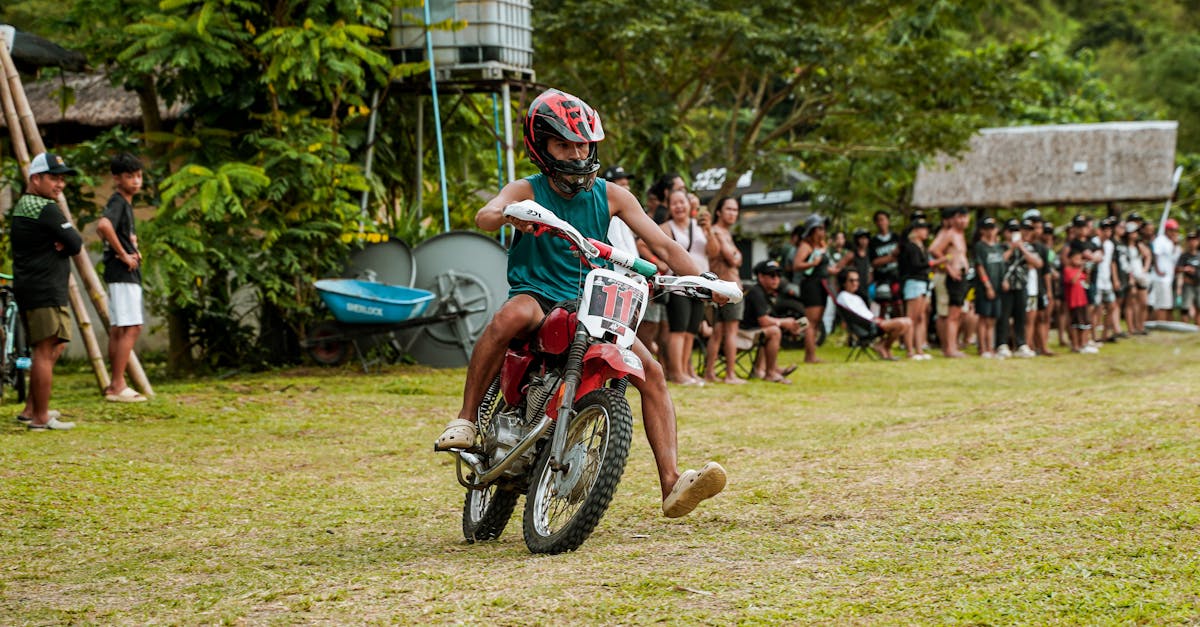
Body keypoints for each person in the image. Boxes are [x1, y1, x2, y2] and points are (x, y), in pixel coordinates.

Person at [433, 89, 726, 518]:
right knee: (509, 316)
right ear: (541, 146)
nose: (576, 153)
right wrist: (509, 214)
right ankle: (464, 418)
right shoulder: (526, 188)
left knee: (655, 372)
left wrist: (706, 279)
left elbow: (662, 242)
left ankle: (671, 482)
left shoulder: (611, 195)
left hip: (592, 298)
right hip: (537, 294)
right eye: (564, 144)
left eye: (582, 143)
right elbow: (486, 214)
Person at [11, 152, 83, 430]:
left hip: (34, 286)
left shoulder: (26, 205)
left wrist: (63, 240)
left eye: (62, 178)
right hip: (44, 289)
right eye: (54, 178)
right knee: (45, 348)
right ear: (36, 178)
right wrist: (64, 240)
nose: (60, 184)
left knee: (55, 344)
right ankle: (40, 418)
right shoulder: (43, 207)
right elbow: (75, 242)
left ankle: (32, 408)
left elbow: (69, 241)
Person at [96, 153, 149, 403]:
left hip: (119, 273)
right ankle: (118, 384)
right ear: (117, 179)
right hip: (123, 273)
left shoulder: (124, 204)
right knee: (131, 327)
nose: (136, 181)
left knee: (120, 328)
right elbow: (104, 226)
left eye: (138, 176)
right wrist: (125, 255)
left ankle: (114, 385)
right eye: (130, 176)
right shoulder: (118, 202)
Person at [660, 188, 717, 385]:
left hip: (701, 284)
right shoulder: (667, 227)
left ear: (690, 204)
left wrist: (709, 230)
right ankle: (677, 373)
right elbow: (644, 243)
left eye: (681, 202)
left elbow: (714, 251)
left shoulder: (699, 226)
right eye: (674, 203)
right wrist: (657, 263)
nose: (678, 206)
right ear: (669, 207)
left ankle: (686, 370)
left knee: (691, 330)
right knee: (679, 329)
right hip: (679, 284)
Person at [703, 196, 746, 384]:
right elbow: (733, 259)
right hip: (728, 286)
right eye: (729, 209)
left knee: (718, 332)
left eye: (735, 210)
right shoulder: (717, 232)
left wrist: (736, 255)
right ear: (719, 212)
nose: (733, 213)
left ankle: (710, 372)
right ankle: (730, 374)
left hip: (723, 286)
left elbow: (739, 257)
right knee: (730, 332)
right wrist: (735, 255)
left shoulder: (724, 233)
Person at [740, 260, 803, 383]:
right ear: (761, 277)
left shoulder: (766, 294)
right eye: (772, 275)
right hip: (742, 333)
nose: (776, 279)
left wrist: (789, 326)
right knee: (773, 332)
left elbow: (770, 319)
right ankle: (770, 373)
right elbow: (764, 321)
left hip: (753, 331)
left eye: (779, 275)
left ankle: (768, 369)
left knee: (772, 330)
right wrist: (785, 322)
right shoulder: (756, 292)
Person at [836, 268, 915, 360]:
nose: (855, 283)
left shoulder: (856, 297)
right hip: (868, 326)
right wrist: (874, 321)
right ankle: (885, 347)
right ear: (844, 282)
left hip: (873, 322)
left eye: (857, 280)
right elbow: (855, 315)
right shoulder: (843, 297)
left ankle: (885, 346)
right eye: (851, 280)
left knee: (908, 322)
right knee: (903, 323)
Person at [928, 206, 970, 358]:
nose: (963, 221)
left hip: (960, 276)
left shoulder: (959, 234)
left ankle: (950, 346)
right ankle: (950, 349)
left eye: (965, 217)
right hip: (952, 277)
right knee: (950, 314)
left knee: (955, 314)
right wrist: (949, 268)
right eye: (959, 217)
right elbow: (934, 250)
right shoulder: (949, 233)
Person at [996, 218, 1042, 358]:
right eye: (1011, 231)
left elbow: (1038, 263)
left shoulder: (1027, 247)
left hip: (1021, 285)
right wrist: (1012, 248)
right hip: (1005, 286)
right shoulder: (1000, 246)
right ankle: (1002, 344)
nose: (1014, 234)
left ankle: (1021, 344)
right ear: (1005, 233)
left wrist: (1021, 247)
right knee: (1004, 316)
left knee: (1021, 316)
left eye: (1016, 231)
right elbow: (999, 261)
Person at [791, 214, 829, 364]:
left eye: (823, 228)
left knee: (817, 321)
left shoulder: (822, 245)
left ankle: (812, 353)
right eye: (819, 228)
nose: (822, 231)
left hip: (822, 284)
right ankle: (809, 356)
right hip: (811, 285)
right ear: (812, 230)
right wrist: (813, 263)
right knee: (810, 322)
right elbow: (797, 265)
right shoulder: (805, 246)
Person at [897, 217, 932, 359]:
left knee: (920, 317)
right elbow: (915, 266)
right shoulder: (910, 247)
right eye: (923, 228)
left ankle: (919, 349)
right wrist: (934, 263)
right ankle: (910, 350)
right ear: (915, 231)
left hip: (923, 282)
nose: (926, 231)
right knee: (911, 318)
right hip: (913, 282)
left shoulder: (922, 247)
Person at [972, 216, 1005, 358]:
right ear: (982, 231)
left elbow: (1002, 265)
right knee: (983, 318)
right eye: (987, 229)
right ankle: (982, 348)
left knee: (992, 319)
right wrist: (987, 285)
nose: (990, 231)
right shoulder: (979, 246)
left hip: (998, 287)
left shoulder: (998, 247)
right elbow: (979, 267)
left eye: (992, 228)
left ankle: (990, 347)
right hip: (984, 288)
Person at [1062, 243, 1096, 354]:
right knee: (1075, 324)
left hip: (1083, 300)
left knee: (1085, 323)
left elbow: (1086, 284)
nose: (1079, 260)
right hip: (1073, 301)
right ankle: (1075, 345)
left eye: (1080, 258)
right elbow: (1072, 281)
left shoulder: (1080, 271)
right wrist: (1080, 269)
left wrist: (1088, 273)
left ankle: (1083, 343)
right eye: (1076, 258)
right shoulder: (1068, 270)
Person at [868, 210, 902, 318]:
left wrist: (884, 259)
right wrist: (892, 257)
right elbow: (874, 262)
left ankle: (901, 329)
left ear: (888, 221)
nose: (881, 222)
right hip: (881, 278)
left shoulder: (896, 237)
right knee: (883, 304)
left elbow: (902, 255)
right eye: (878, 220)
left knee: (898, 304)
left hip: (897, 276)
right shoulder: (873, 242)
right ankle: (883, 331)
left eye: (883, 219)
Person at [1094, 217, 1122, 341]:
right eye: (1104, 230)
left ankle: (1105, 334)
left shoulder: (1110, 245)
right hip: (1096, 280)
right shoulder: (1093, 242)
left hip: (1106, 281)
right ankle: (1094, 336)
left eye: (1109, 230)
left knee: (1111, 306)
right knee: (1096, 308)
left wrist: (1115, 279)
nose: (1107, 233)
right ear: (1099, 230)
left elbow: (1112, 263)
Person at [1150, 218, 1181, 321]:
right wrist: (1158, 270)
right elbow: (1155, 255)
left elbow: (1174, 259)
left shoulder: (1171, 242)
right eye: (1172, 230)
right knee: (1162, 305)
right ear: (1167, 230)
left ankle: (1162, 323)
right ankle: (1159, 324)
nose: (1174, 233)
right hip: (1160, 278)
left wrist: (1175, 244)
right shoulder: (1160, 240)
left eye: (1175, 231)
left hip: (1168, 278)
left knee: (1166, 304)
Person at [1177, 231, 1200, 324]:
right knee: (1185, 308)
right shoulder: (1184, 256)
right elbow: (1177, 268)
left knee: (1199, 307)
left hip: (1198, 285)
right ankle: (1184, 327)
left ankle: (1198, 327)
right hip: (1188, 284)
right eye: (1190, 240)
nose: (1192, 242)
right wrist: (1185, 269)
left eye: (1194, 240)